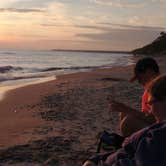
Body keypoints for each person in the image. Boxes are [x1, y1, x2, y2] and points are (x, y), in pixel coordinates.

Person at [83, 74, 166, 166]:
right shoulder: (157, 131)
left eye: (151, 103)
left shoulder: (159, 136)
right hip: (115, 155)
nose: (150, 110)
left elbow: (141, 160)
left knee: (129, 120)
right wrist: (97, 158)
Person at [109, 57, 160, 137]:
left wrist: (126, 108)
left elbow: (154, 119)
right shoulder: (148, 90)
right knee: (124, 113)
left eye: (140, 78)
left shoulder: (160, 88)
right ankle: (131, 143)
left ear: (149, 72)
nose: (139, 82)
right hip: (156, 127)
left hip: (161, 131)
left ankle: (132, 144)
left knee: (129, 121)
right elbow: (146, 114)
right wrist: (125, 109)